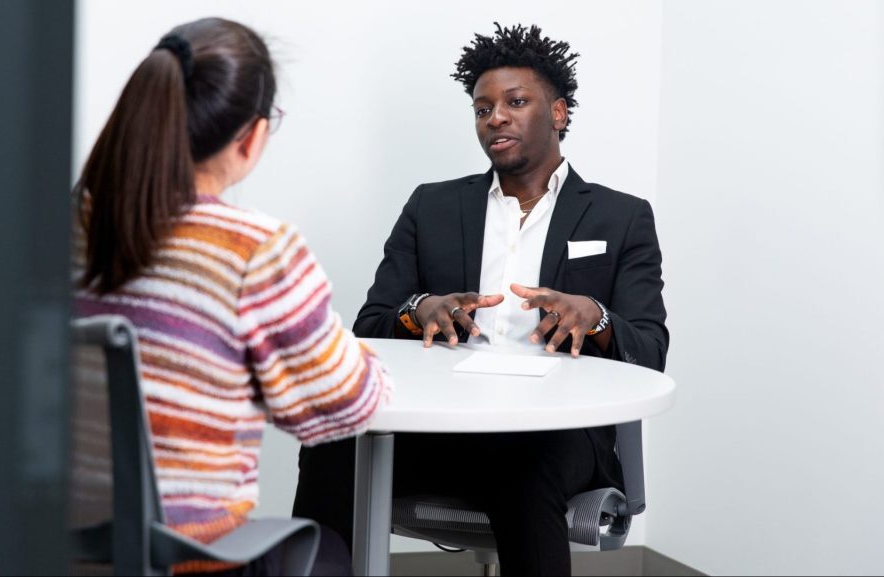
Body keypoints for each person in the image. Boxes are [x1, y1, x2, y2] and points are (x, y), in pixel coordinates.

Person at [292, 23, 668, 576]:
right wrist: (417, 309)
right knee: (331, 440)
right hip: (441, 429)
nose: (496, 117)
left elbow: (651, 350)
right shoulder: (432, 207)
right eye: (482, 108)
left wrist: (599, 319)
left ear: (558, 113)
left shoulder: (622, 216)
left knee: (524, 462)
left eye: (516, 102)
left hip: (555, 437)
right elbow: (369, 324)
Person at [71, 17, 392, 576]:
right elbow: (345, 404)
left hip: (54, 541)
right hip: (187, 552)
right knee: (333, 556)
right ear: (251, 137)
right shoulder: (254, 250)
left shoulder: (61, 225)